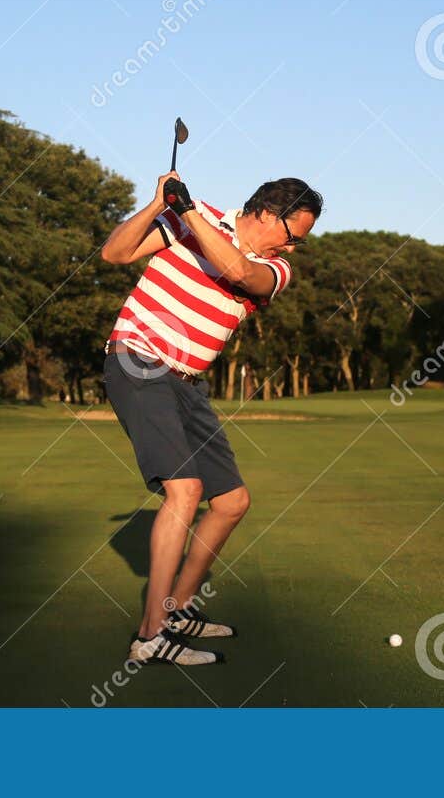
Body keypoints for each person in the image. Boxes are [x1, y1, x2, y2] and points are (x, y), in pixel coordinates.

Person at [99, 173, 323, 666]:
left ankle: (176, 612)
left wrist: (188, 213)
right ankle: (152, 636)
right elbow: (114, 255)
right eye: (293, 234)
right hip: (138, 359)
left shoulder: (274, 269)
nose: (294, 245)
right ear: (267, 212)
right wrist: (159, 204)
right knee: (186, 491)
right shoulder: (185, 218)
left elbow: (239, 272)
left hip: (187, 384)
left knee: (232, 501)